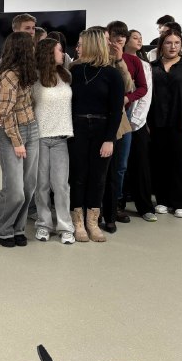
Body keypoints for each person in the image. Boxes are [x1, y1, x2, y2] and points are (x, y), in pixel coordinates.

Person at [68, 28, 124, 242]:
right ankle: (78, 222)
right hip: (77, 128)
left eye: (81, 43)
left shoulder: (112, 74)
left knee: (98, 178)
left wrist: (110, 139)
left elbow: (116, 111)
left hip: (102, 130)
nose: (78, 47)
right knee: (78, 176)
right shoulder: (74, 70)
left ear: (91, 44)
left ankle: (92, 222)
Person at [148, 30, 182, 218]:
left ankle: (181, 202)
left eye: (177, 43)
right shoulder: (152, 67)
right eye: (168, 42)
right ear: (161, 45)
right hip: (157, 122)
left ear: (181, 45)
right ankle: (162, 200)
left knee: (179, 163)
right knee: (160, 162)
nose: (173, 46)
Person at [0, 31, 39, 247]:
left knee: (28, 188)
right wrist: (17, 142)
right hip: (12, 134)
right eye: (31, 46)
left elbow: (28, 103)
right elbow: (5, 114)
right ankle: (2, 230)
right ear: (23, 49)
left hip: (31, 129)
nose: (34, 49)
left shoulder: (26, 72)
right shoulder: (8, 75)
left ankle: (17, 228)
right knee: (15, 190)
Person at [32, 38, 75, 244]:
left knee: (61, 185)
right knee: (41, 185)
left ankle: (65, 226)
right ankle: (43, 224)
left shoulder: (66, 75)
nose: (62, 53)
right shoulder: (34, 77)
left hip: (61, 137)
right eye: (59, 50)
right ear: (48, 52)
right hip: (39, 137)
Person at [106, 21, 147, 228]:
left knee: (121, 164)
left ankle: (117, 203)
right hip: (102, 116)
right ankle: (100, 204)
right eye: (116, 35)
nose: (120, 38)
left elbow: (142, 88)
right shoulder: (100, 57)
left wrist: (127, 98)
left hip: (124, 115)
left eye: (123, 35)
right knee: (103, 163)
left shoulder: (133, 60)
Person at [123, 30, 157, 222]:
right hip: (119, 121)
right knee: (120, 166)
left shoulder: (143, 64)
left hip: (137, 122)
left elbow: (146, 95)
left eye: (140, 38)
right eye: (135, 37)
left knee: (141, 165)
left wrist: (135, 121)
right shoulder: (115, 61)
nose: (139, 40)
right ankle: (118, 203)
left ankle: (145, 206)